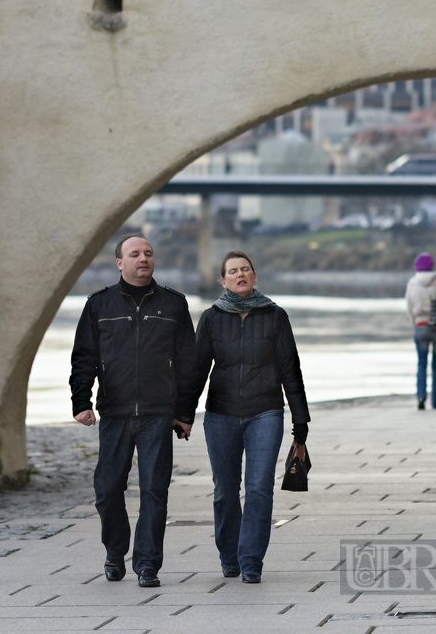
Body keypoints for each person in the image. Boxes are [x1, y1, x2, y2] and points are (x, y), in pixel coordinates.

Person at [70, 234, 197, 588]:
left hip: (159, 413)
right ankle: (115, 552)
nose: (143, 259)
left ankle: (147, 565)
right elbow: (84, 358)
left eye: (148, 254)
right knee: (108, 489)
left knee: (155, 491)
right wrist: (81, 401)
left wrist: (185, 412)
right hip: (115, 412)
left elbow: (189, 363)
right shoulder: (99, 305)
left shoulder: (174, 304)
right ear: (120, 263)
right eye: (135, 254)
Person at [180, 251, 310, 584]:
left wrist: (300, 419)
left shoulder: (275, 316)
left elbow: (290, 368)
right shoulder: (211, 318)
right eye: (233, 272)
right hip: (220, 414)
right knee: (225, 490)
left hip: (265, 412)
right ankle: (229, 555)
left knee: (258, 488)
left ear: (254, 277)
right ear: (223, 281)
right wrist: (183, 414)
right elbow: (197, 369)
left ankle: (251, 559)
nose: (240, 275)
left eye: (245, 270)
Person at [405, 253, 436, 410]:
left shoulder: (412, 283)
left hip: (420, 326)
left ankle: (421, 397)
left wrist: (415, 322)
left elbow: (409, 306)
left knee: (421, 363)